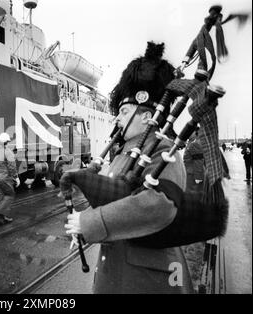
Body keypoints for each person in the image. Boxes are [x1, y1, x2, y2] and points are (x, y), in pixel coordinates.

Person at [65, 42, 193, 293]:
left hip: (146, 278)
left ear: (148, 116)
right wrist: (83, 227)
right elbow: (116, 199)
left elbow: (161, 204)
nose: (117, 118)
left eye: (124, 112)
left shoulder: (162, 149)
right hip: (116, 269)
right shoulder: (123, 153)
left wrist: (88, 222)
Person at [0, 133, 20, 225]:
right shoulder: (8, 152)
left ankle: (3, 218)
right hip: (5, 178)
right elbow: (12, 166)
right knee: (10, 195)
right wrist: (16, 177)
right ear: (7, 142)